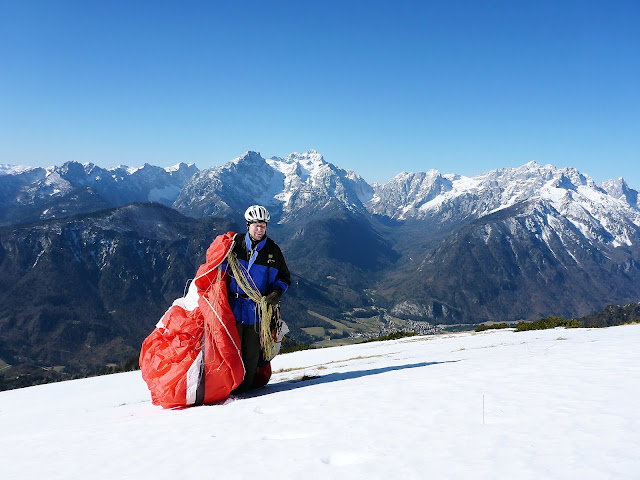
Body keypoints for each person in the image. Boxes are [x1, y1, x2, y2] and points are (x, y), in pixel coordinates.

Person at [227, 205, 290, 394]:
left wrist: (277, 293)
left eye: (263, 225)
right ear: (248, 225)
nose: (260, 229)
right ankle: (228, 389)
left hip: (257, 311)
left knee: (251, 355)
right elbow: (217, 266)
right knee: (231, 351)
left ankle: (244, 392)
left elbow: (284, 277)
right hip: (232, 307)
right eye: (256, 225)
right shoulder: (234, 245)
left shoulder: (273, 251)